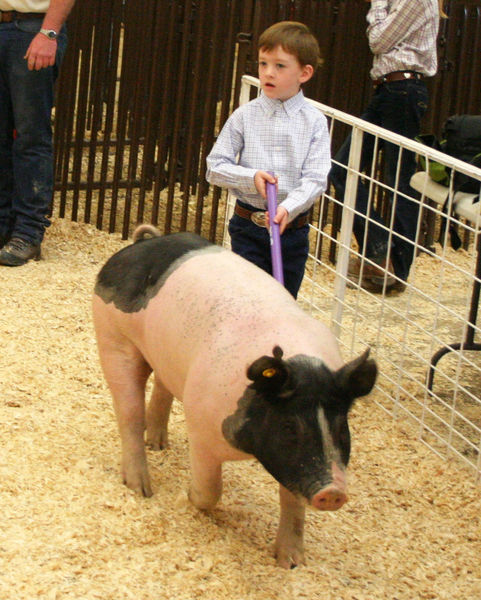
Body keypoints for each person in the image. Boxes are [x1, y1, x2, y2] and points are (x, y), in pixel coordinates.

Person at [206, 21, 331, 299]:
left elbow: (316, 177)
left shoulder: (314, 122)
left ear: (305, 73)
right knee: (249, 304)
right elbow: (215, 166)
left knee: (284, 306)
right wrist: (250, 178)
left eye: (280, 66)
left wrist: (289, 207)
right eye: (263, 64)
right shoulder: (244, 115)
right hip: (248, 226)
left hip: (292, 232)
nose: (268, 73)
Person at [329, 0, 444, 293]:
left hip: (403, 90)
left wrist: (378, 4)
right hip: (388, 90)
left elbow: (379, 41)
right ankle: (380, 248)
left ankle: (396, 271)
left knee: (400, 182)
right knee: (342, 169)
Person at [0, 0, 75, 267]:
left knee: (31, 134)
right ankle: (4, 225)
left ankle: (28, 232)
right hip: (9, 25)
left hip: (33, 28)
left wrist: (49, 32)